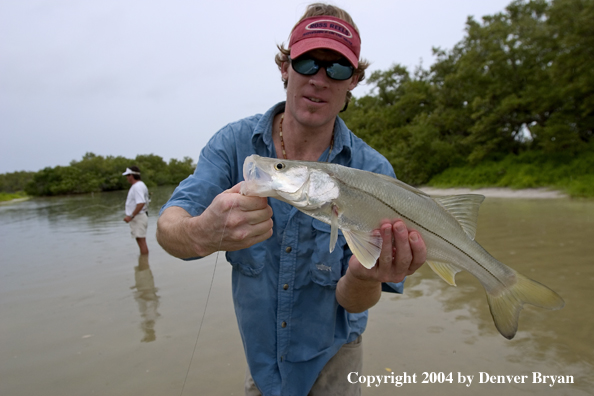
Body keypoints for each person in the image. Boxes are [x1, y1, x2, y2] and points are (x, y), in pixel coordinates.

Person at [157, 3, 427, 395]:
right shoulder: (233, 145)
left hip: (336, 357)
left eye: (337, 69)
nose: (320, 79)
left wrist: (366, 272)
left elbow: (354, 302)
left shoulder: (374, 170)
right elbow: (169, 228)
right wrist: (202, 232)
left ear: (353, 81)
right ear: (285, 67)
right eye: (307, 63)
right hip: (263, 361)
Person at [123, 166, 149, 255]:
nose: (127, 177)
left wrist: (130, 216)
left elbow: (141, 203)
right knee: (140, 241)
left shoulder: (137, 186)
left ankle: (144, 265)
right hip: (140, 216)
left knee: (141, 242)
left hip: (139, 217)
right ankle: (144, 264)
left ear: (132, 175)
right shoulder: (140, 185)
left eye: (128, 175)